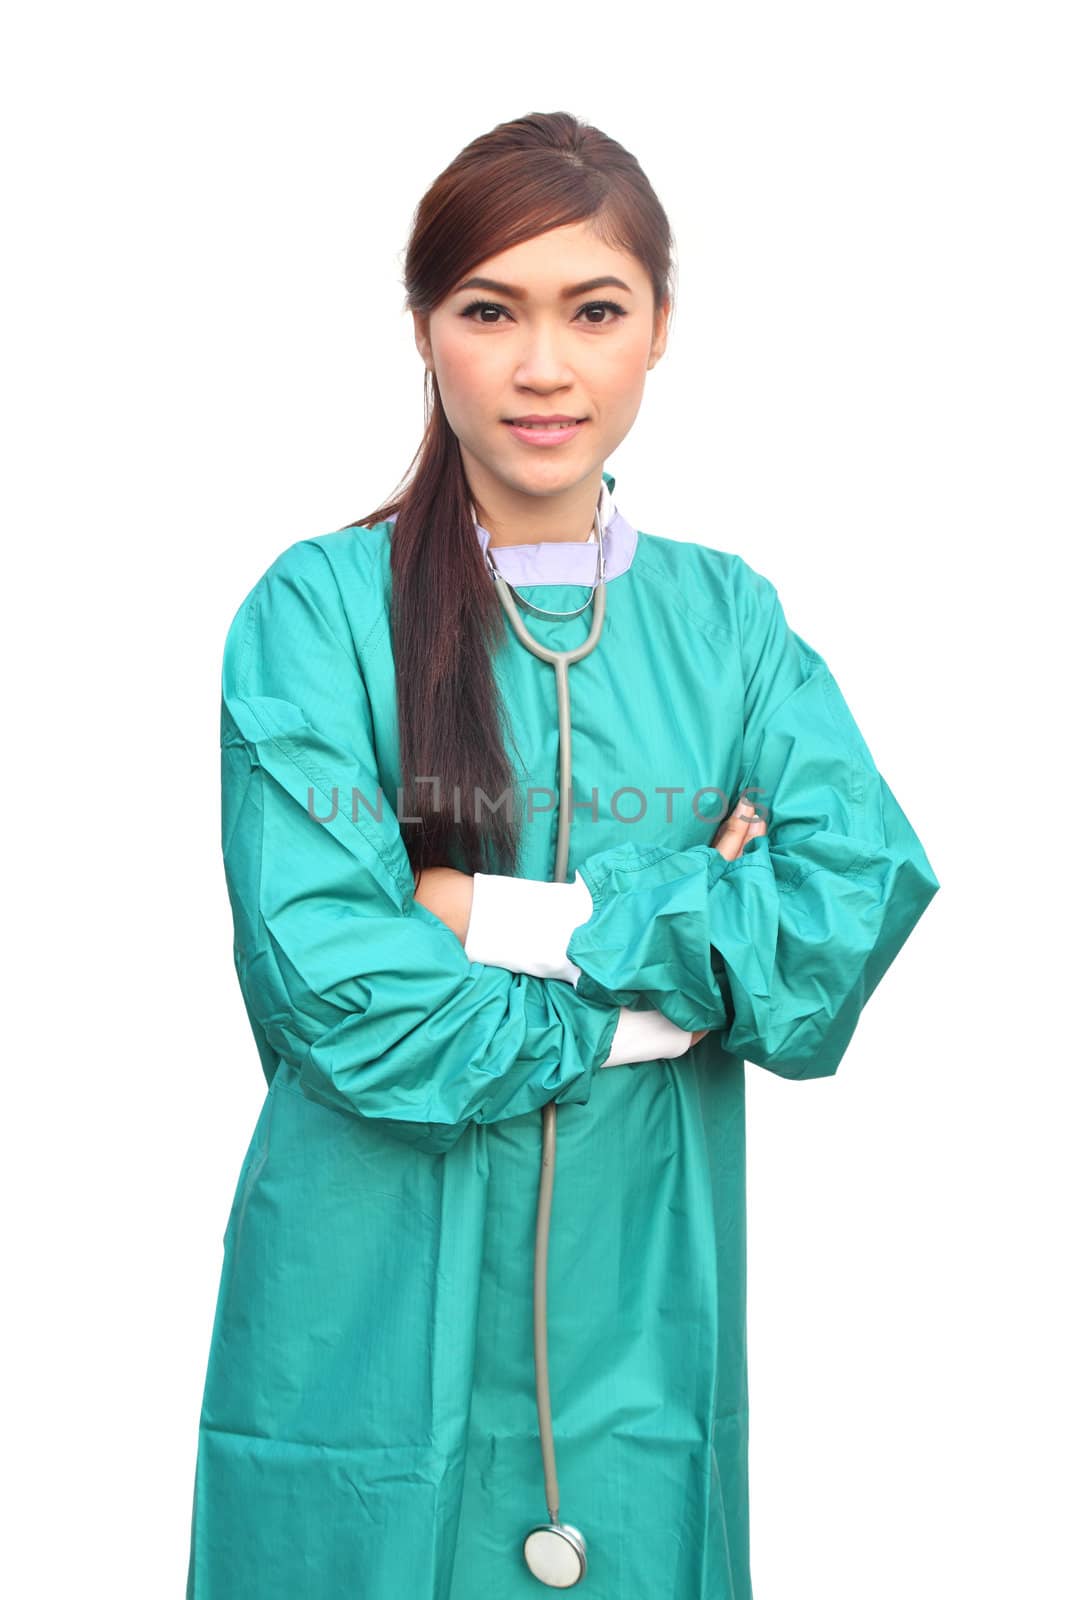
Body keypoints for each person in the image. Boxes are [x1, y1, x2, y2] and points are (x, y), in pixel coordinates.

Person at [185, 110, 940, 1599]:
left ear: (661, 328)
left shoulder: (730, 627)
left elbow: (847, 909)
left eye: (594, 310)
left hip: (638, 1298)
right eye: (490, 311)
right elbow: (342, 992)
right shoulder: (315, 615)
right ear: (422, 327)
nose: (545, 367)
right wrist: (689, 959)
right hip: (368, 1304)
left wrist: (488, 913)